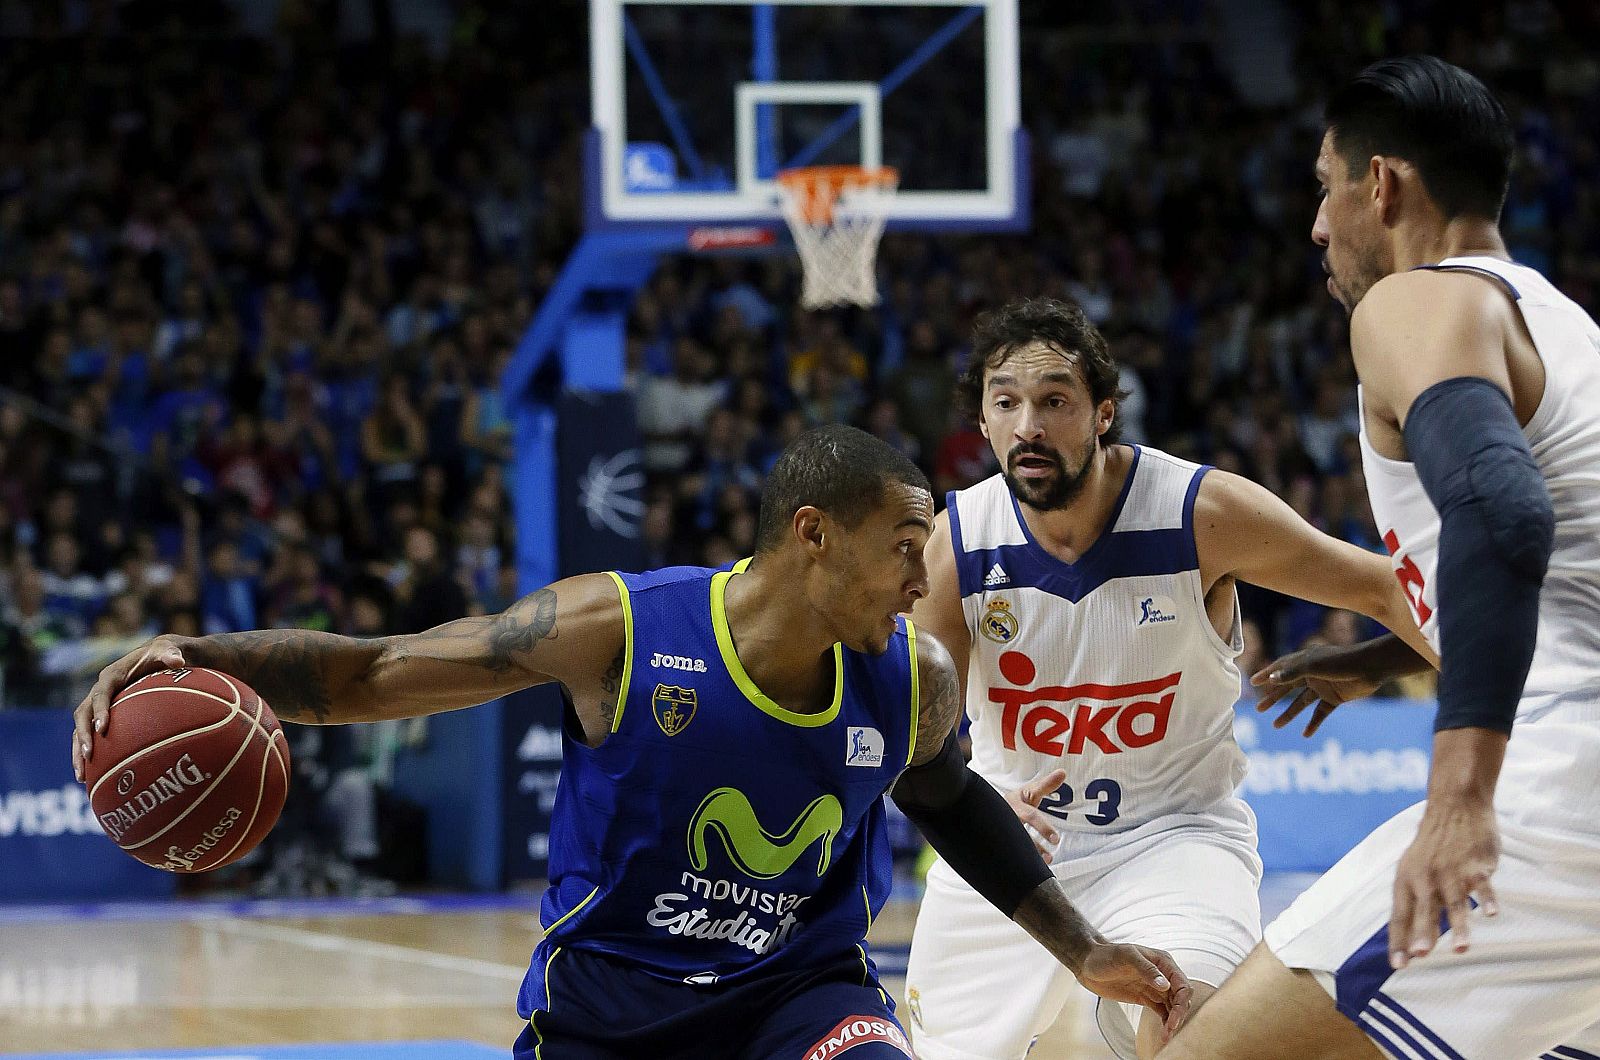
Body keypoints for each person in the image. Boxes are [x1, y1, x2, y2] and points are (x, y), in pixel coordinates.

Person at [71, 425, 1190, 1060]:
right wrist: (197, 652)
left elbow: (951, 804)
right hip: (609, 1013)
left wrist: (1079, 946)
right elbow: (373, 670)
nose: (921, 577)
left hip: (796, 999)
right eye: (903, 547)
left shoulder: (914, 679)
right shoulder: (617, 630)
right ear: (812, 535)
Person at [1164, 55, 1600, 1060]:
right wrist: (1382, 657)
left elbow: (1503, 515)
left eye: (1325, 184)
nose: (1317, 223)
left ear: (1385, 185)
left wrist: (1457, 794)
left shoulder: (1412, 307)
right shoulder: (1565, 326)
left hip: (1555, 791)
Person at [903, 297, 1436, 1060]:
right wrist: (973, 797)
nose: (1029, 425)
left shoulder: (1198, 512)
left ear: (1104, 414)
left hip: (1173, 838)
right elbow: (913, 735)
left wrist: (1383, 662)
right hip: (1016, 852)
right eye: (1007, 402)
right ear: (983, 423)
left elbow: (1393, 587)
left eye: (1055, 400)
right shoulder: (955, 549)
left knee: (1190, 1024)